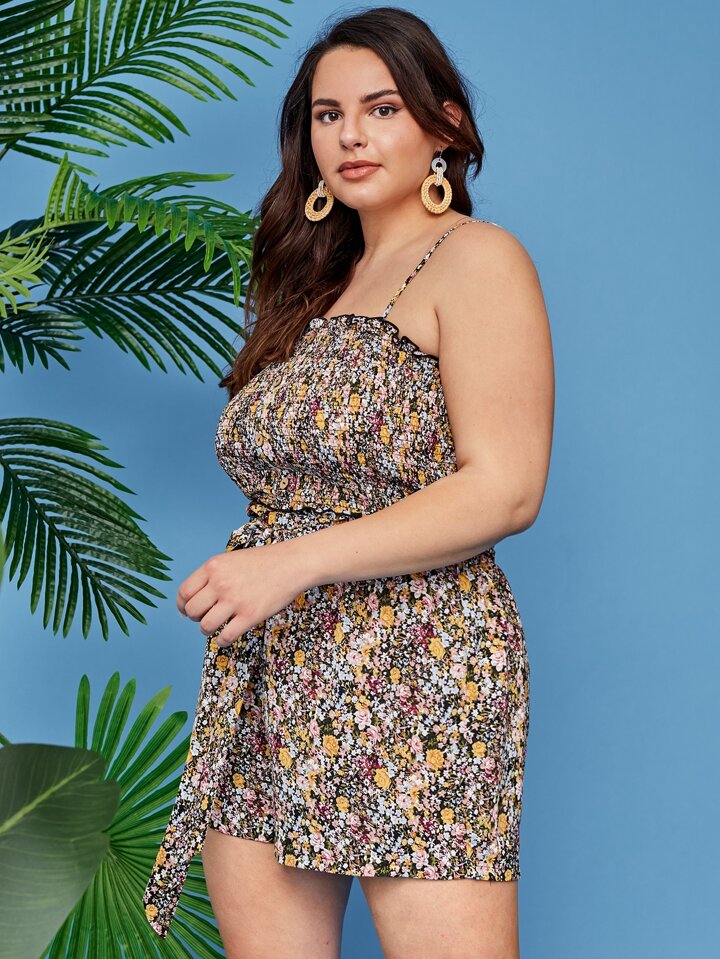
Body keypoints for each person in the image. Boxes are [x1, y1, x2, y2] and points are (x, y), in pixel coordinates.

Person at [143, 6, 554, 958]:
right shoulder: (312, 283)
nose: (352, 136)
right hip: (271, 666)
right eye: (328, 115)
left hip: (420, 663)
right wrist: (271, 574)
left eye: (382, 108)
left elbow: (506, 488)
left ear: (445, 126)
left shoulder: (478, 260)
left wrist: (289, 563)